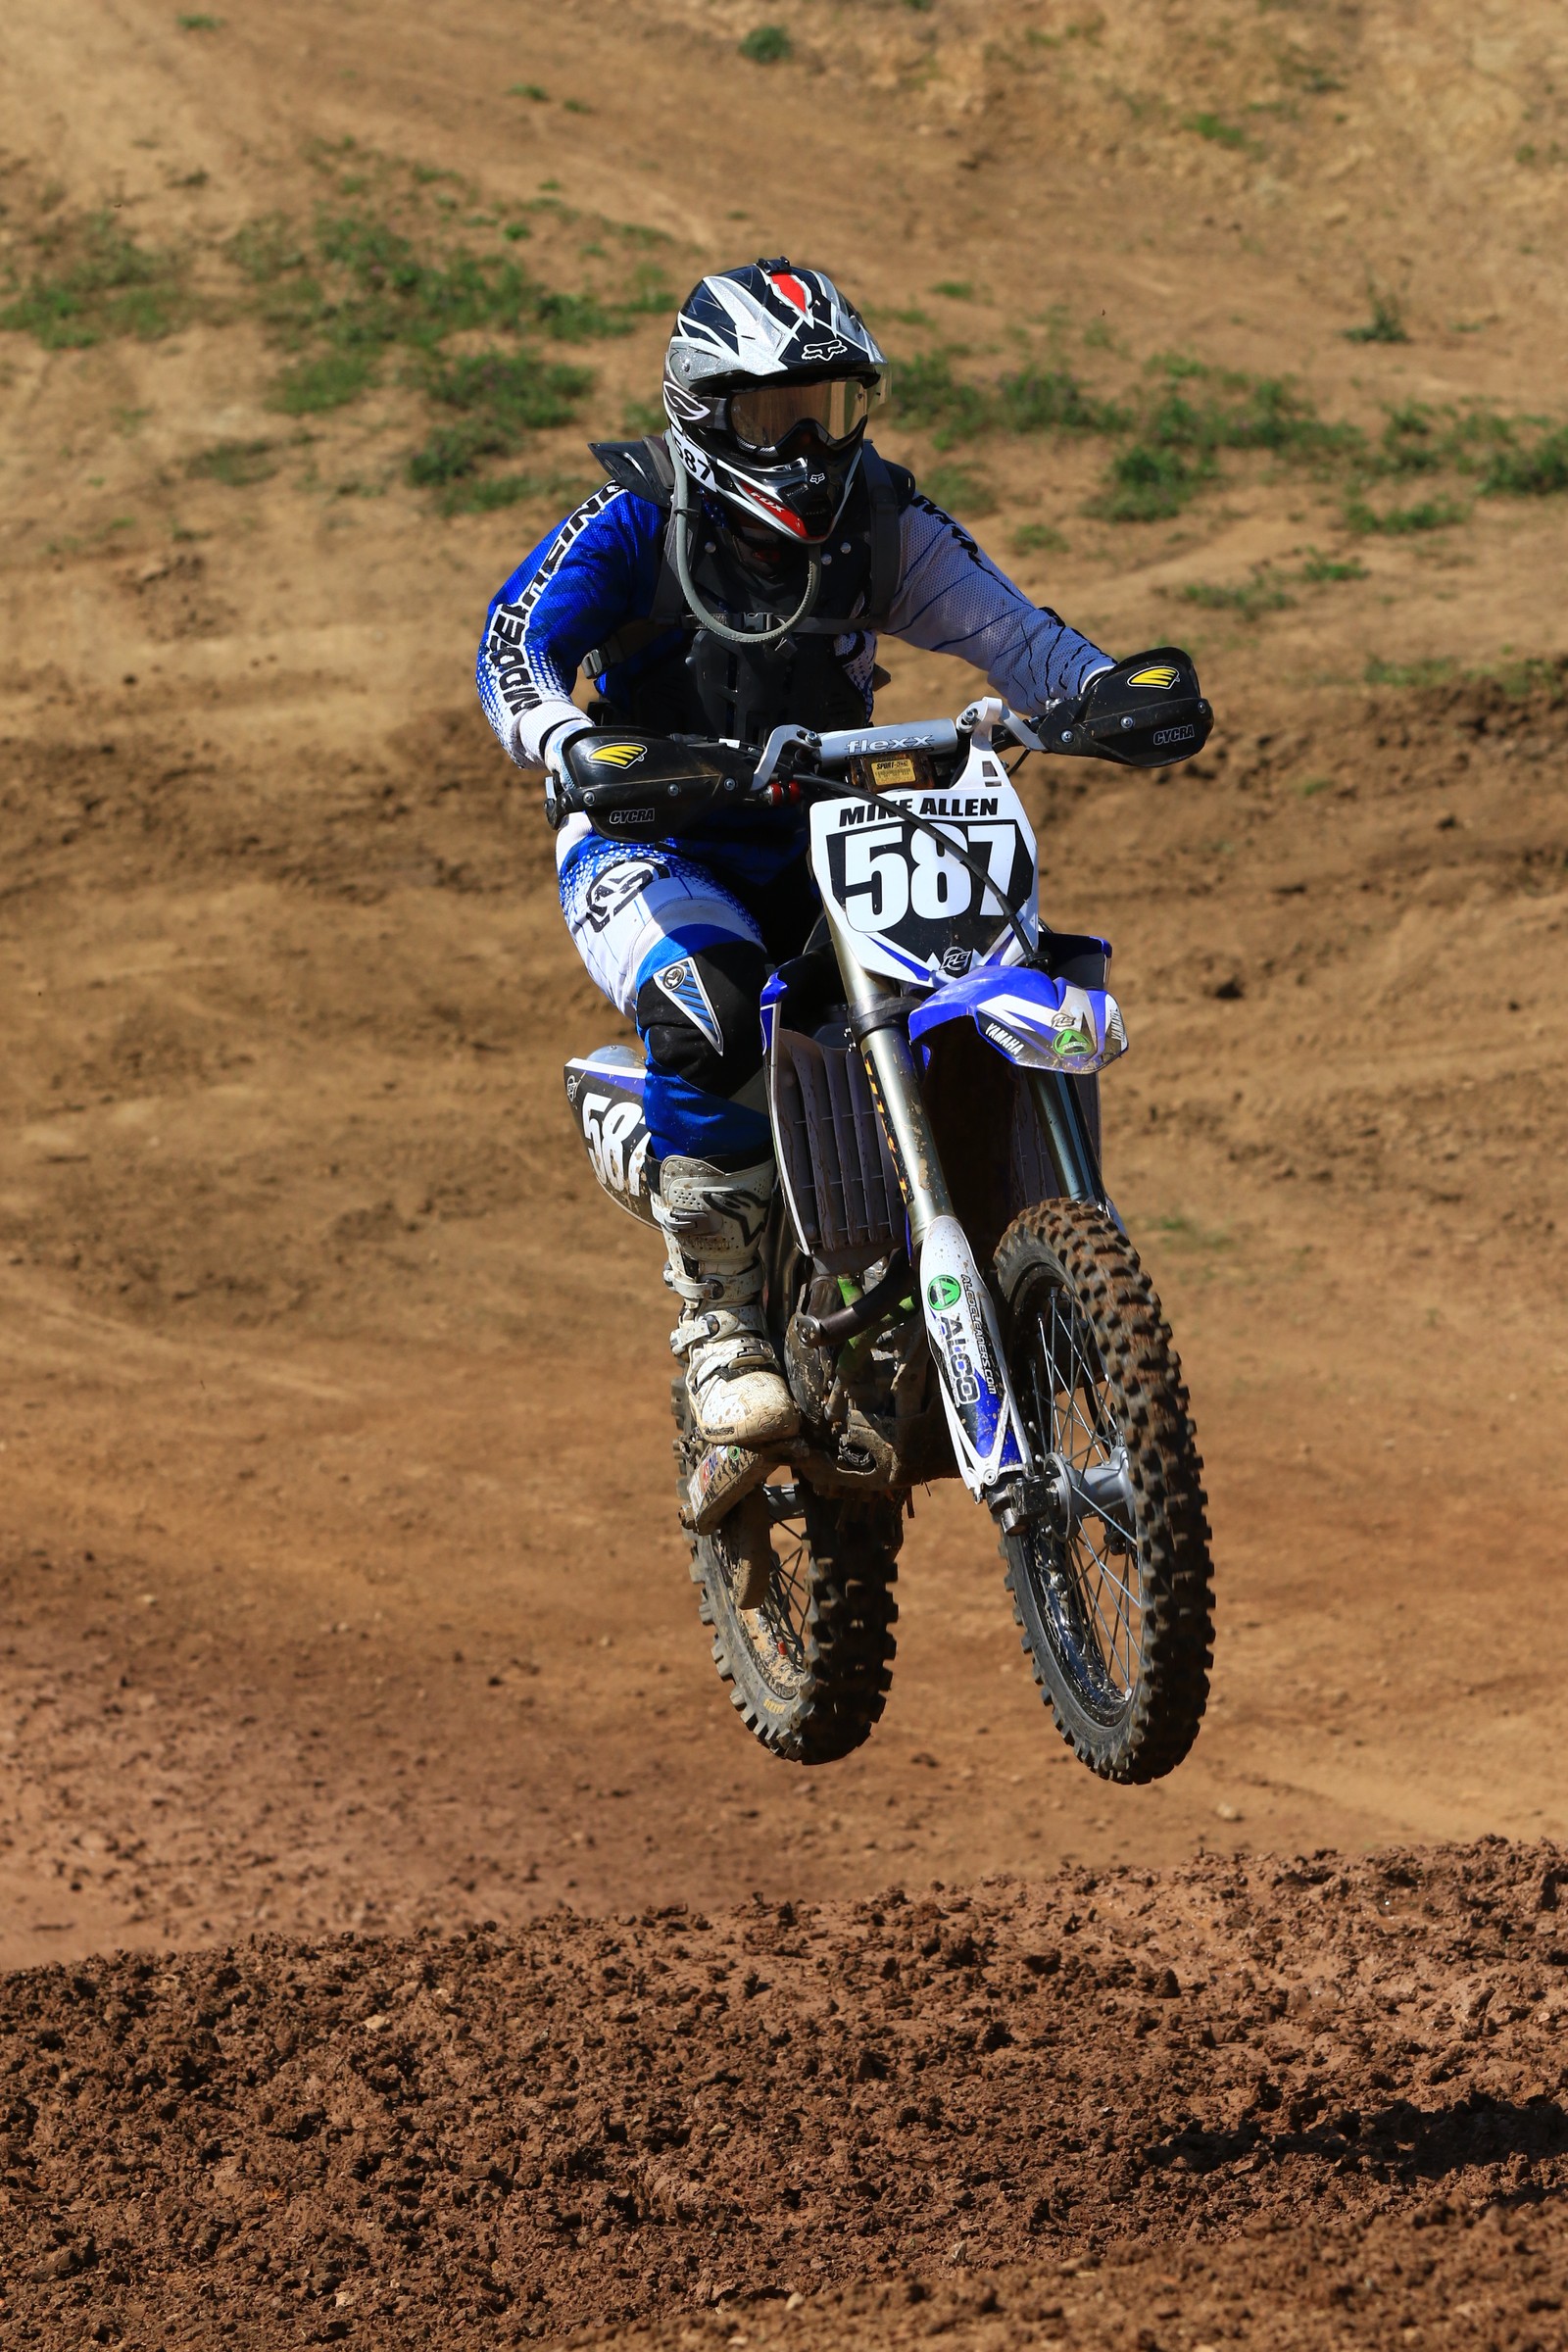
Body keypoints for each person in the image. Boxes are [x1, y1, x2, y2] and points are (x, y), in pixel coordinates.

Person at [476, 258, 1122, 1453]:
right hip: (652, 838)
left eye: (827, 413)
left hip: (835, 828)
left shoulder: (879, 518)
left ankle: (1031, 1267)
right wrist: (561, 736)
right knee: (714, 1012)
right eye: (778, 417)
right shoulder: (636, 517)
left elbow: (1015, 636)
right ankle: (720, 1324)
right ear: (706, 412)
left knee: (971, 976)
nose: (809, 446)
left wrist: (1095, 694)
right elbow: (513, 639)